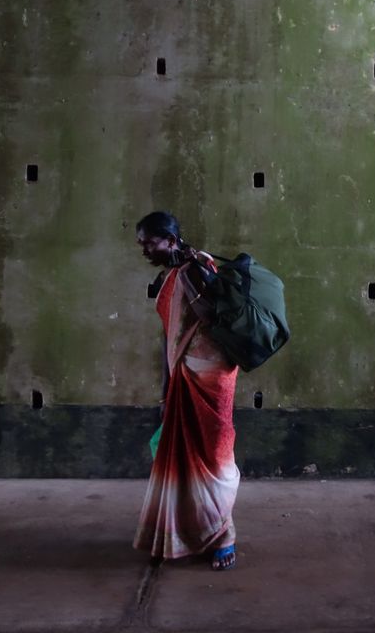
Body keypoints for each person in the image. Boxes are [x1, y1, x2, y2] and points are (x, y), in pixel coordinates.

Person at [132, 211, 239, 570]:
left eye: (150, 241)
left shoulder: (199, 268)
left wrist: (193, 278)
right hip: (184, 374)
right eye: (141, 243)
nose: (145, 249)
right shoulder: (170, 277)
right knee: (178, 452)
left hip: (213, 377)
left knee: (214, 455)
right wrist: (166, 387)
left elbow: (212, 318)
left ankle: (224, 534)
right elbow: (170, 336)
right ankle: (187, 531)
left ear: (171, 240)